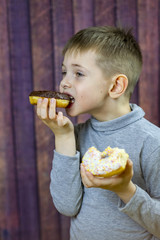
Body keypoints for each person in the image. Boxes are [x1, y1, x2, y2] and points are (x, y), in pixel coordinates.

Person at [36, 26, 160, 240]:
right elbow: (67, 207)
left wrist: (125, 189)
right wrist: (63, 136)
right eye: (64, 72)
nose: (64, 82)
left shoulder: (152, 143)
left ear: (116, 86)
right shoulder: (73, 136)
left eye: (78, 74)